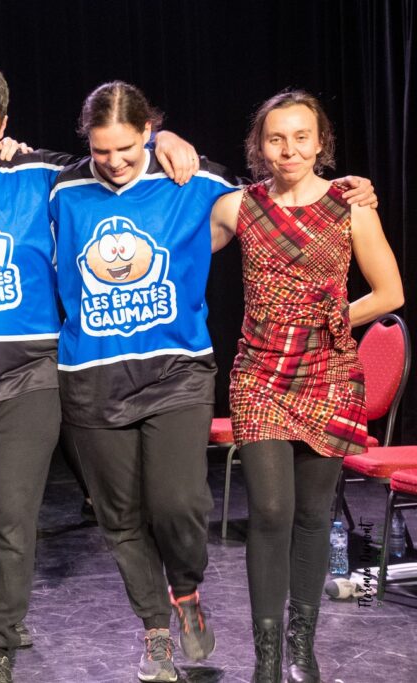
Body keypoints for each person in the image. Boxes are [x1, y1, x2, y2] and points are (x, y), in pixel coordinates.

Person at [0, 64, 200, 683]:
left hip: (30, 375)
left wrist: (164, 140)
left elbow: (117, 159)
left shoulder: (43, 176)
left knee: (10, 512)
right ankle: (4, 611)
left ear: (5, 125)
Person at [51, 82, 241, 682]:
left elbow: (264, 217)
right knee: (122, 515)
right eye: (101, 150)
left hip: (176, 369)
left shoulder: (191, 176)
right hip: (92, 375)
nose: (114, 161)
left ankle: (186, 588)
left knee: (178, 501)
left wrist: (348, 195)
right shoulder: (63, 188)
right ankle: (156, 630)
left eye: (128, 148)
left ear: (149, 131)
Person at [211, 91, 402, 683]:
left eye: (300, 137)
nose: (288, 149)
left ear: (321, 143)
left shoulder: (350, 207)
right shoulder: (237, 207)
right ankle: (266, 659)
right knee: (270, 510)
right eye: (276, 138)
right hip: (260, 372)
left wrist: (329, 320)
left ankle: (301, 647)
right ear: (259, 145)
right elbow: (172, 248)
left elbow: (390, 292)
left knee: (314, 513)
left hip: (327, 372)